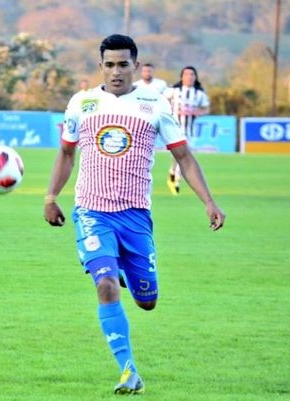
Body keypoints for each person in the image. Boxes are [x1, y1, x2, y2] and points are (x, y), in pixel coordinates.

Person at [44, 34, 225, 395]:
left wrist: (208, 201)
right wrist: (51, 196)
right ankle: (129, 370)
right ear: (100, 66)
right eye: (109, 64)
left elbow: (184, 157)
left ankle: (125, 269)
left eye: (123, 64)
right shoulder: (82, 103)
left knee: (147, 301)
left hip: (136, 215)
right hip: (92, 211)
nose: (115, 71)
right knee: (105, 284)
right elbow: (66, 154)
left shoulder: (154, 104)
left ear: (135, 66)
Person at [166, 66, 210, 195]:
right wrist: (171, 110)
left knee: (185, 154)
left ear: (195, 77)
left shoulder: (199, 94)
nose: (189, 77)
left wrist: (196, 112)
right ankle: (173, 173)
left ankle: (176, 180)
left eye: (192, 74)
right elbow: (162, 101)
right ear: (182, 77)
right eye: (186, 74)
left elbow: (206, 109)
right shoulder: (173, 91)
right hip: (174, 128)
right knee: (177, 155)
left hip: (190, 130)